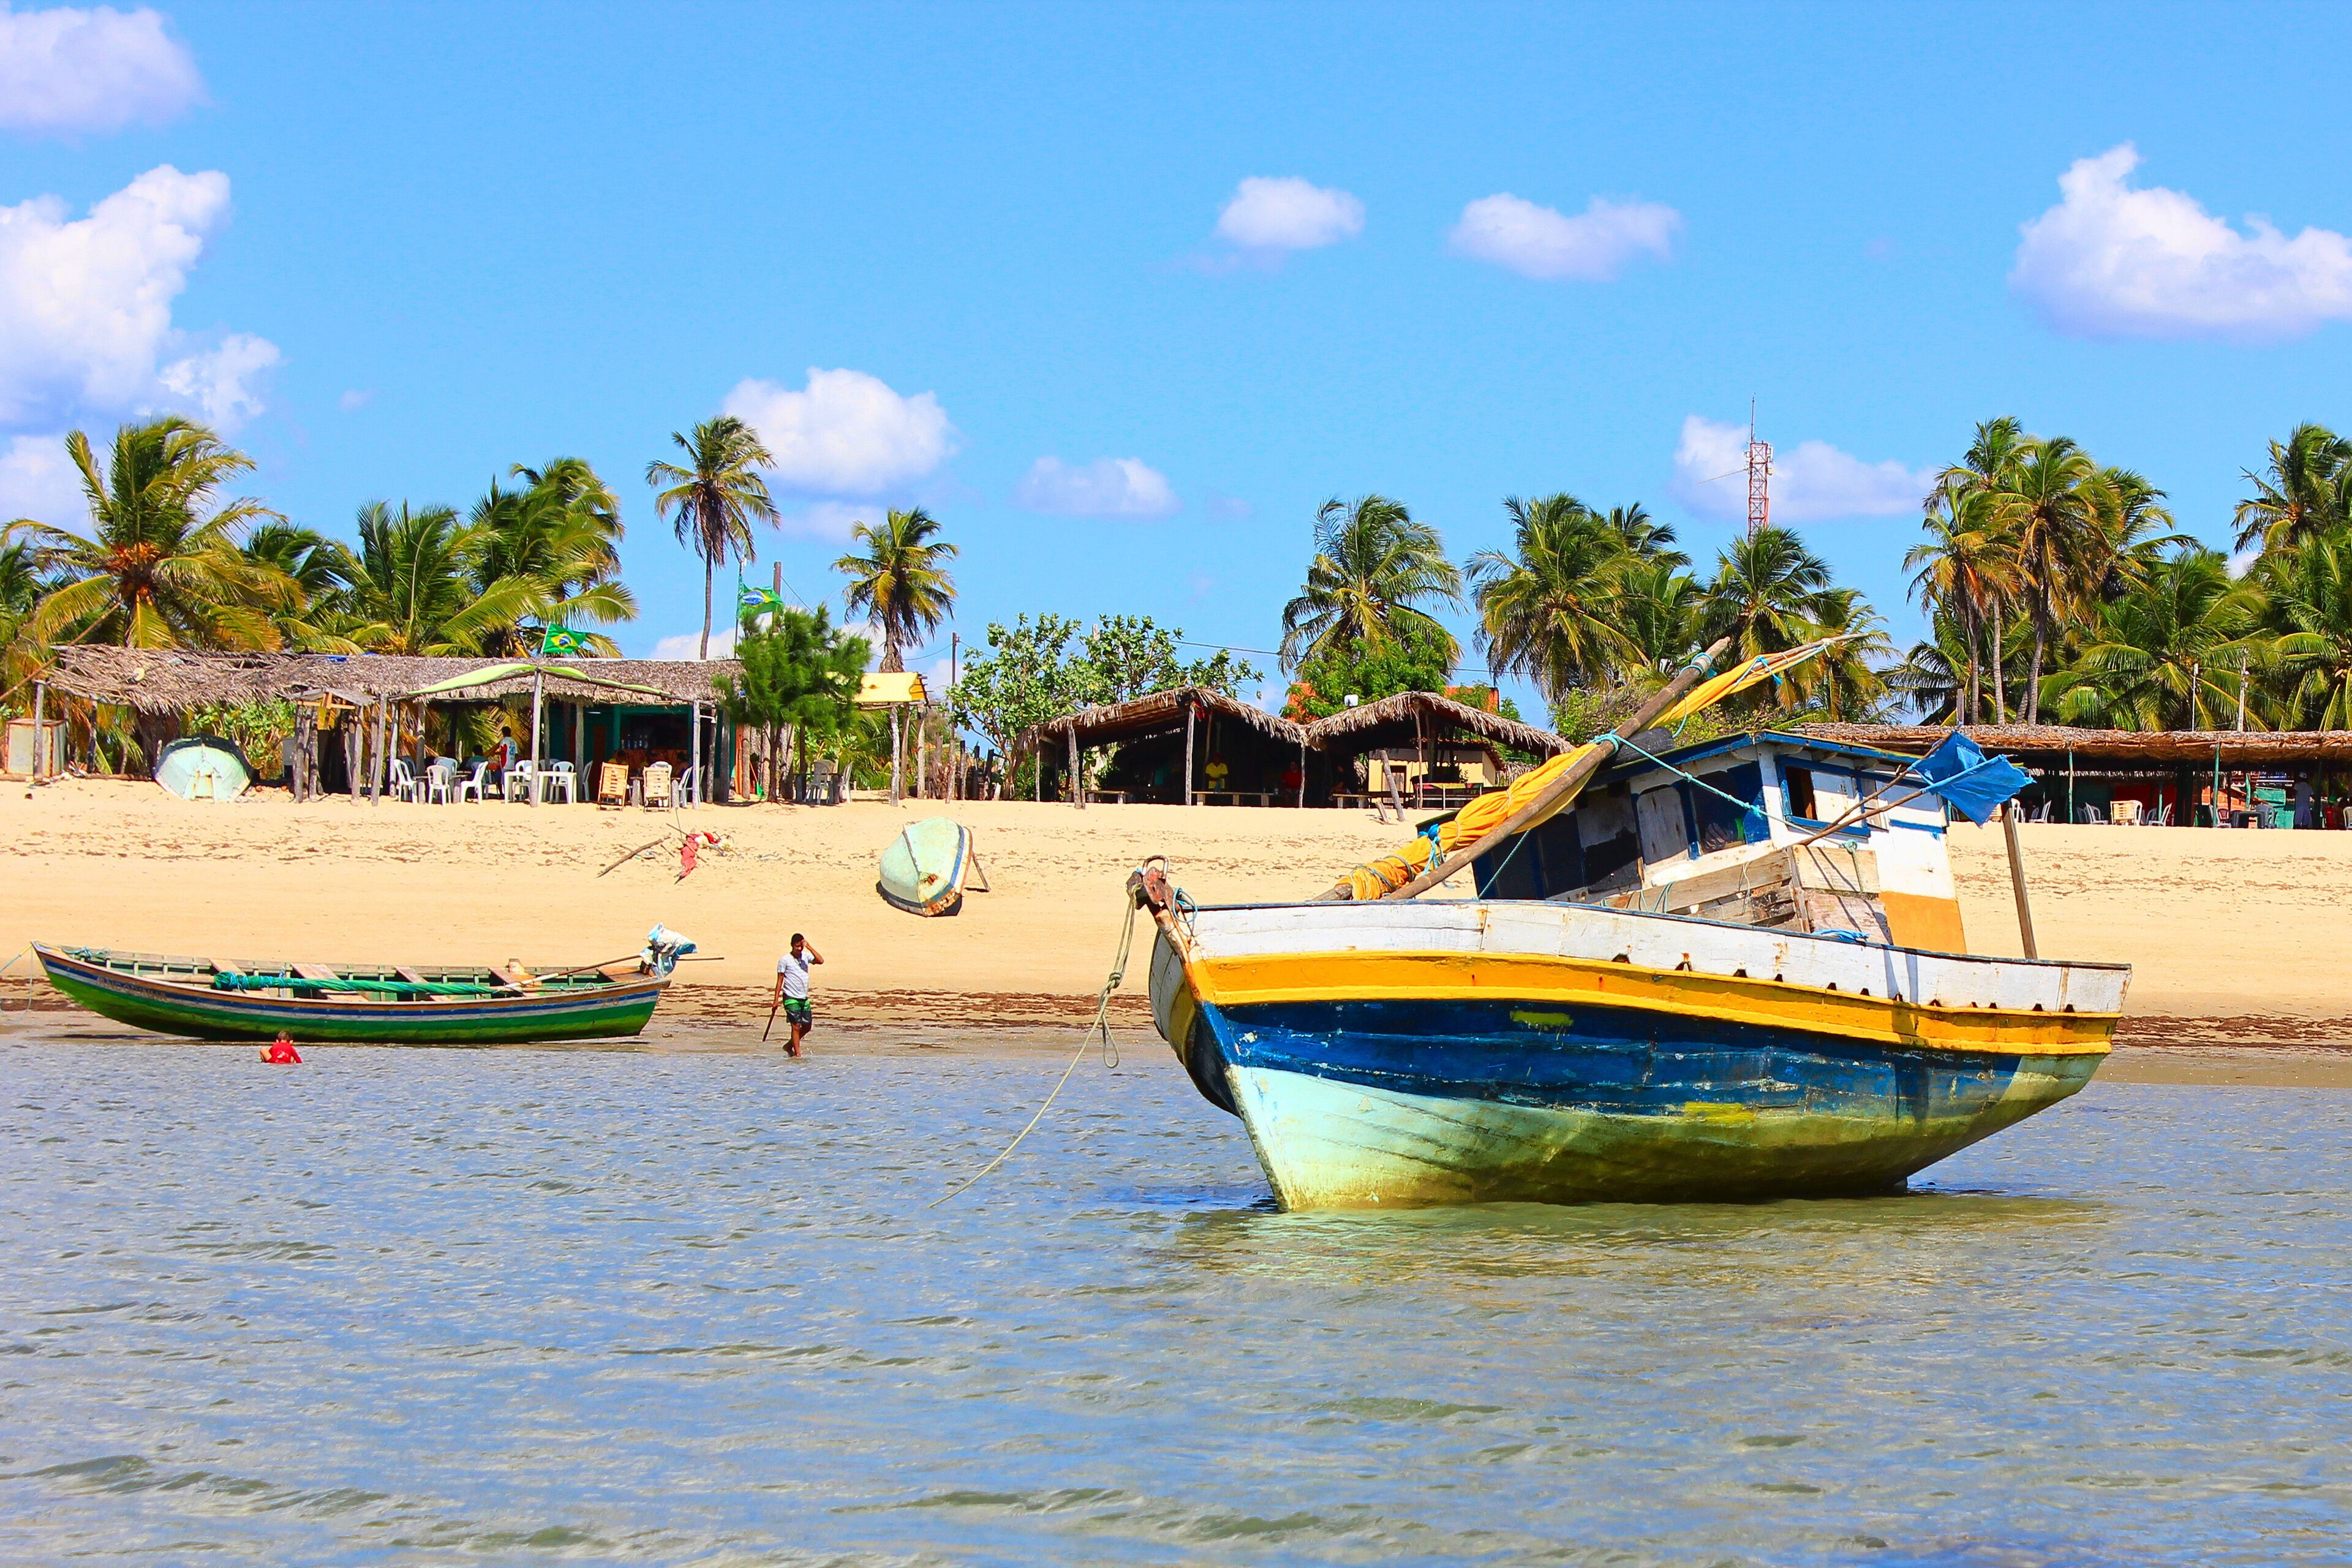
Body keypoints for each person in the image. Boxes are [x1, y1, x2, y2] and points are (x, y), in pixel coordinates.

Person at [774, 932, 823, 1057]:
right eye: (797, 946)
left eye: (801, 946)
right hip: (790, 997)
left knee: (807, 1026)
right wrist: (776, 1000)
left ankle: (789, 1046)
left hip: (803, 997)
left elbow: (820, 960)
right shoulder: (785, 960)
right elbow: (780, 980)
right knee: (796, 1026)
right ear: (792, 945)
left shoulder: (805, 957)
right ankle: (798, 1055)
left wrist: (809, 947)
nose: (799, 949)